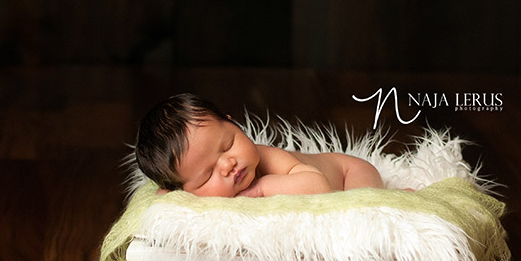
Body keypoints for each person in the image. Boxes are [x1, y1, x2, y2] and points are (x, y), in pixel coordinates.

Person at [135, 93, 384, 197]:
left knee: (364, 207)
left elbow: (318, 185)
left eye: (228, 144)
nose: (228, 164)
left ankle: (394, 200)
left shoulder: (268, 159)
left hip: (347, 172)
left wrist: (261, 188)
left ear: (233, 124)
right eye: (207, 174)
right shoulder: (192, 195)